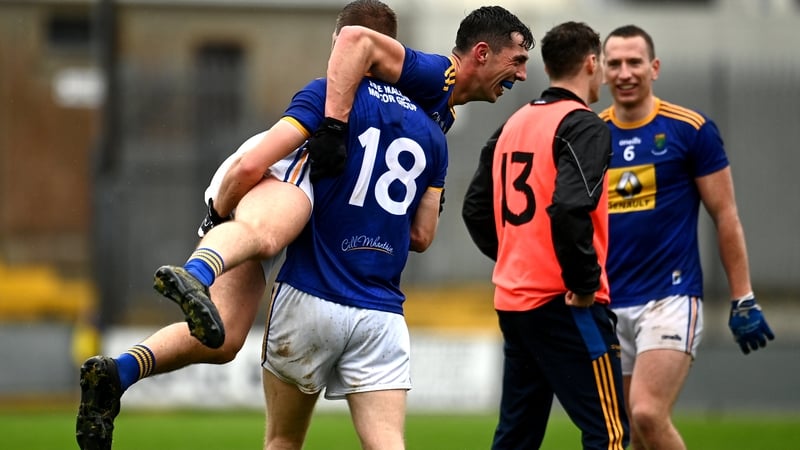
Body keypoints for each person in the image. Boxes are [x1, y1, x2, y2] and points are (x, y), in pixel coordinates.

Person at [75, 2, 402, 449]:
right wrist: (216, 220)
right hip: (273, 176)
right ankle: (195, 273)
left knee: (224, 339)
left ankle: (119, 372)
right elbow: (251, 166)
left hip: (246, 188)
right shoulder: (333, 94)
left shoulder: (370, 99)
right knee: (266, 233)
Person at [599, 24, 774, 450]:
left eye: (635, 62)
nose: (625, 72)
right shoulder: (590, 133)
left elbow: (725, 215)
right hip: (606, 303)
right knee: (628, 434)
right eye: (615, 63)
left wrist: (743, 296)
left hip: (670, 297)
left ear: (654, 67)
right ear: (602, 71)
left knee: (646, 412)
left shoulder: (690, 129)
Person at [462, 21, 629, 449]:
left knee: (517, 436)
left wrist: (516, 257)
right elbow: (570, 207)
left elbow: (476, 208)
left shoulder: (513, 125)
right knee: (609, 434)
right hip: (565, 302)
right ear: (592, 64)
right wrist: (584, 282)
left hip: (515, 302)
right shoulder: (584, 125)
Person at [259, 69, 447, 450]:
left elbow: (261, 166)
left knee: (283, 440)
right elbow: (422, 236)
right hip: (381, 312)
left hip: (310, 292)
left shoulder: (329, 97)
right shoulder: (432, 132)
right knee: (387, 442)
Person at [304, 5, 533, 180]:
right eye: (517, 61)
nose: (523, 75)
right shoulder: (436, 74)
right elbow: (354, 38)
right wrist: (333, 129)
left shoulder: (447, 111)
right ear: (482, 53)